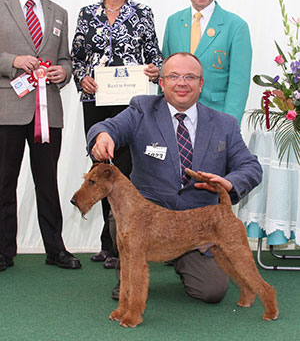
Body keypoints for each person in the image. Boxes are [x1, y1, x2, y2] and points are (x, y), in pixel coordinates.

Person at [87, 52, 262, 302]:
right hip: (147, 216)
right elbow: (108, 127)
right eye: (174, 76)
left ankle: (181, 258)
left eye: (190, 77)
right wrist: (102, 136)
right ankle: (127, 276)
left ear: (201, 84)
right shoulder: (141, 109)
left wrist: (230, 182)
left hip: (196, 224)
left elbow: (251, 166)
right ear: (161, 82)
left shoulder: (225, 123)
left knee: (212, 291)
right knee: (123, 213)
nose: (182, 83)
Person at [71, 0, 163, 268]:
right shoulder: (87, 13)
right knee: (101, 168)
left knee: (124, 169)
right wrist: (82, 76)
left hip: (130, 104)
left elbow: (155, 55)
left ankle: (121, 241)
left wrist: (155, 69)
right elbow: (77, 58)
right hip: (95, 102)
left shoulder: (142, 13)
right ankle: (107, 243)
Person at [0, 0, 81, 271]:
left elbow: (66, 59)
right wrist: (13, 62)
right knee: (4, 183)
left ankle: (55, 249)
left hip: (49, 113)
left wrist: (65, 72)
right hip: (8, 110)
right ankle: (4, 251)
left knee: (47, 183)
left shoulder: (58, 12)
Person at [162, 0, 252, 125]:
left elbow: (239, 84)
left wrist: (230, 124)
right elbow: (165, 73)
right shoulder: (173, 22)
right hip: (175, 116)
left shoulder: (236, 26)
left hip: (216, 114)